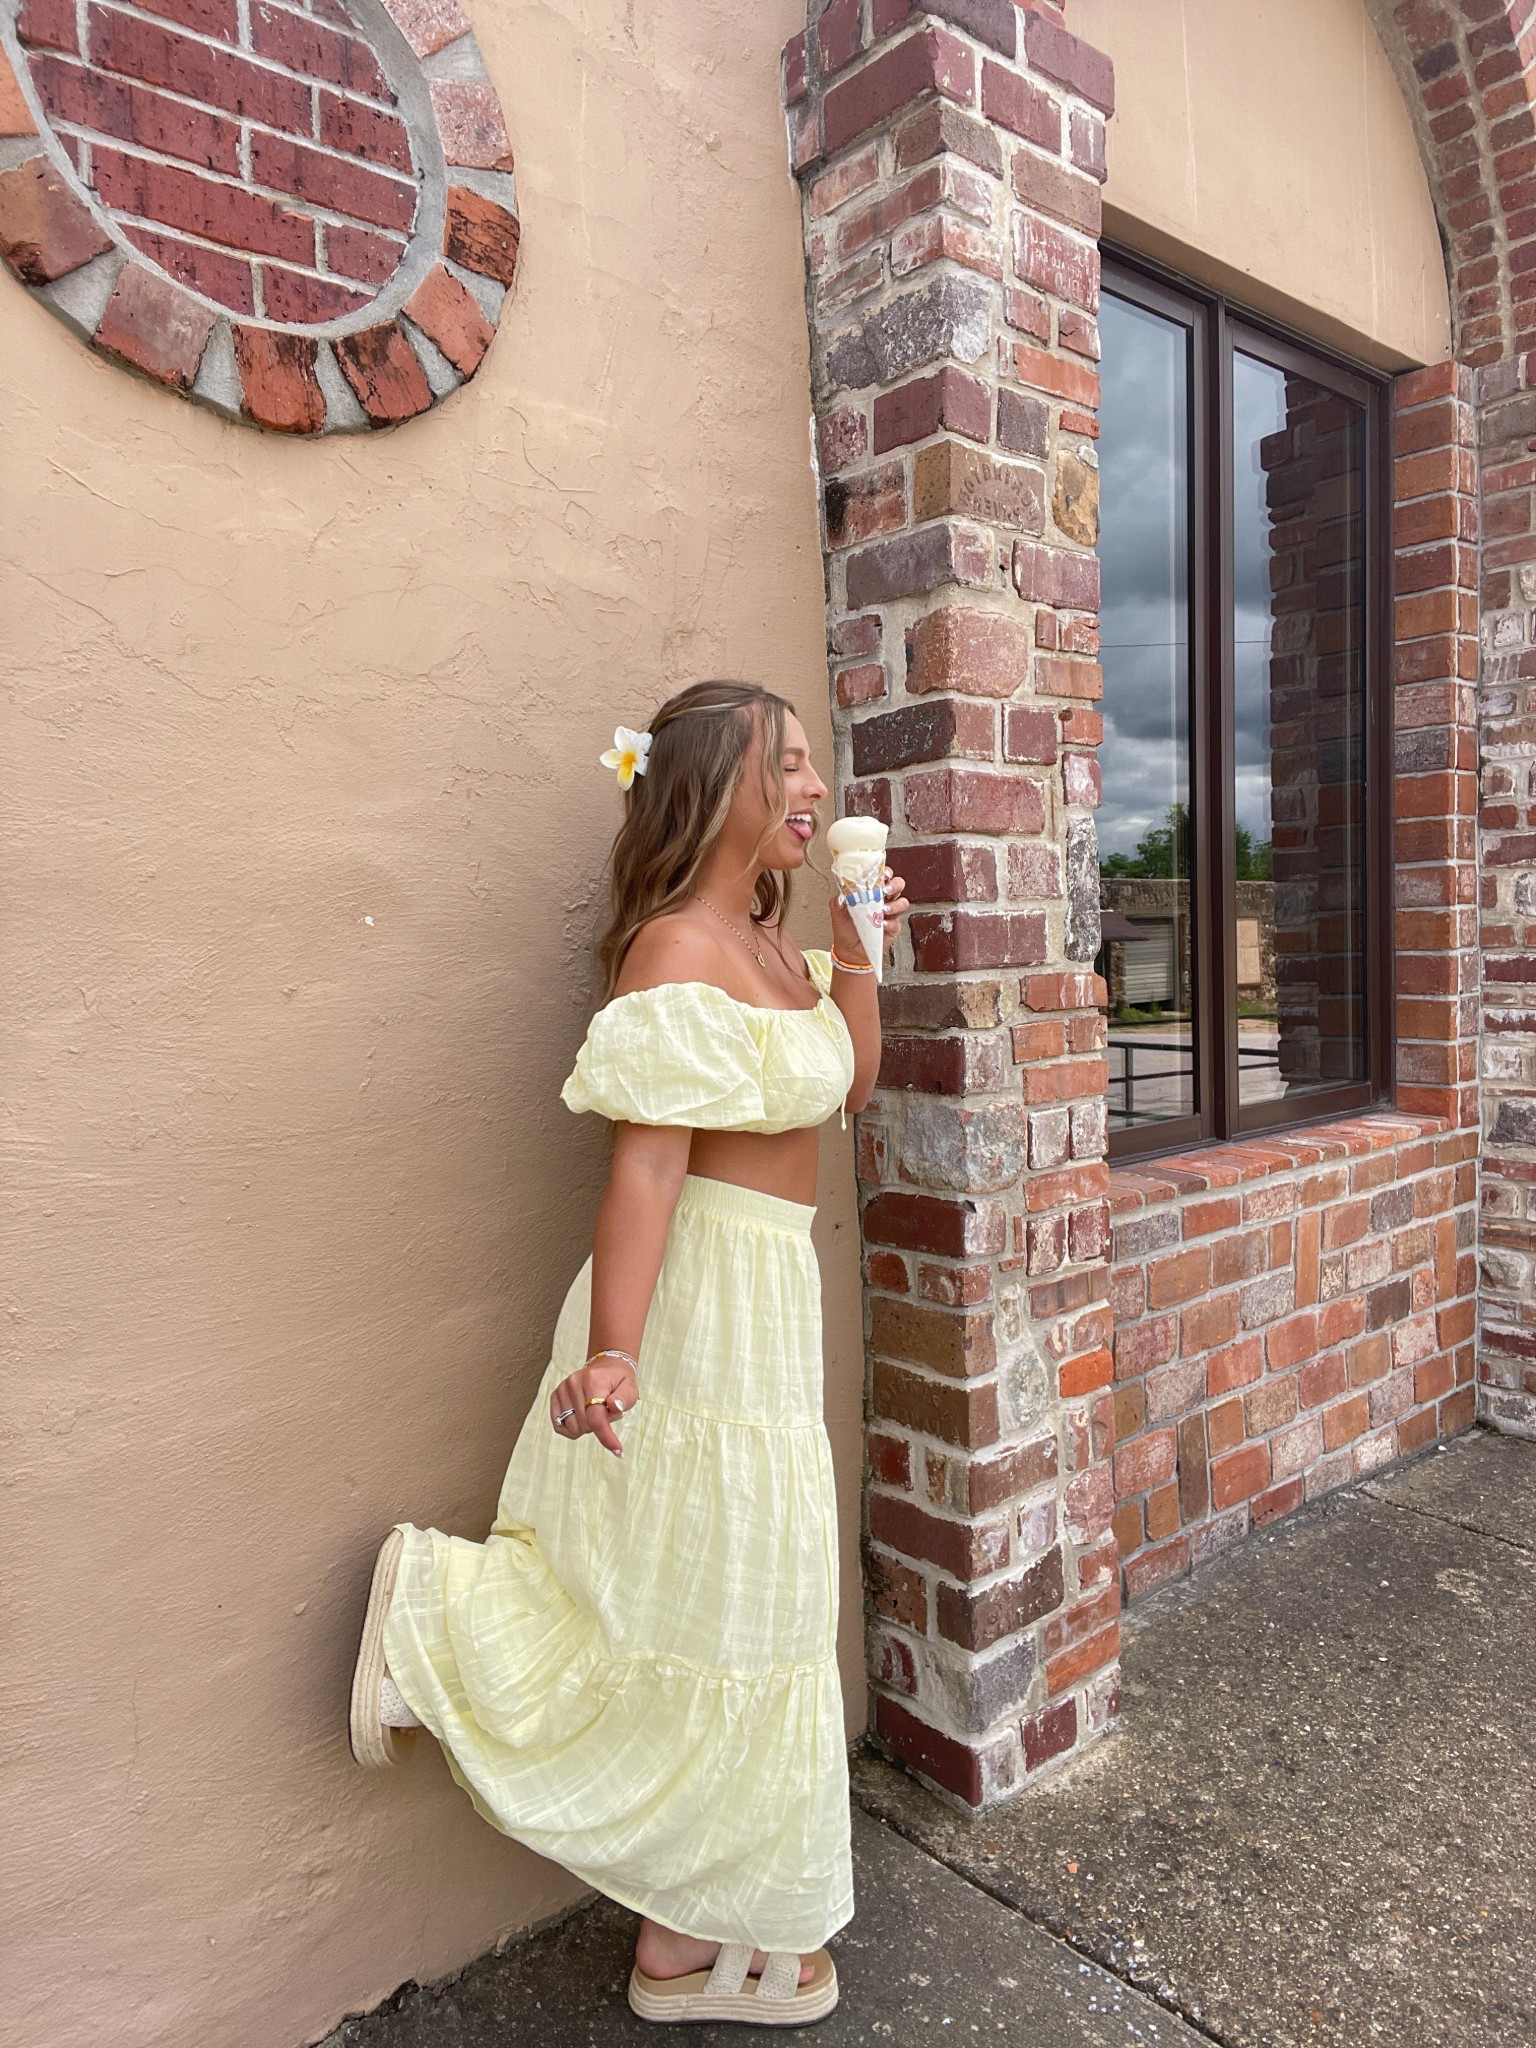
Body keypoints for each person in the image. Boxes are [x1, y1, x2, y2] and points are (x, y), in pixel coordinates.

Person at [346, 680, 907, 2028]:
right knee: (693, 1600)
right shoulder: (675, 952)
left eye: (814, 767)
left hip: (774, 1297)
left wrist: (865, 946)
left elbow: (854, 1086)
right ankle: (425, 1617)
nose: (816, 791)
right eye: (788, 766)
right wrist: (612, 1353)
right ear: (718, 787)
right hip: (695, 1303)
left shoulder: (778, 947)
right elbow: (646, 1176)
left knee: (738, 1610)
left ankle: (674, 1940)